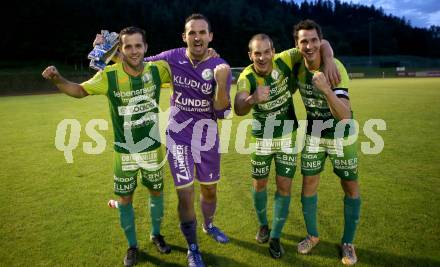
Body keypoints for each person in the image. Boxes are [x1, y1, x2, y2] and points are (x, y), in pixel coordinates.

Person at [42, 26, 172, 267]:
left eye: (138, 46)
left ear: (146, 48)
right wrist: (58, 79)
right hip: (124, 152)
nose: (134, 51)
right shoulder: (109, 76)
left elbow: (186, 70)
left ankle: (156, 234)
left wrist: (208, 56)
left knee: (156, 193)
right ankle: (132, 246)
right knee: (125, 199)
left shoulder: (158, 70)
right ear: (121, 51)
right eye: (128, 46)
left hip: (153, 149)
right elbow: (80, 91)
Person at [234, 33, 338, 259]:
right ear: (250, 55)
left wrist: (328, 61)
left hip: (287, 136)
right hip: (262, 138)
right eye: (256, 53)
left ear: (273, 51)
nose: (262, 58)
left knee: (284, 187)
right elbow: (238, 106)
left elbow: (323, 42)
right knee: (259, 184)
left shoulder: (286, 59)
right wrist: (252, 99)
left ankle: (275, 236)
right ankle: (263, 225)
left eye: (266, 52)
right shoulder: (246, 76)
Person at [144, 14, 232, 267]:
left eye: (202, 32)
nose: (197, 37)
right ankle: (193, 248)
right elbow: (138, 63)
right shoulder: (172, 57)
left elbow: (221, 112)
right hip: (178, 136)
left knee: (209, 191)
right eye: (192, 32)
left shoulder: (221, 66)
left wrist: (222, 82)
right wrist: (111, 51)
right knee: (185, 195)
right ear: (184, 37)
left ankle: (209, 225)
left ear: (210, 36)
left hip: (207, 138)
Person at [292, 19, 360, 266]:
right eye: (303, 41)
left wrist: (326, 90)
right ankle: (312, 235)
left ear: (320, 42)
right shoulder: (297, 65)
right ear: (297, 45)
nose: (308, 46)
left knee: (350, 185)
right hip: (314, 132)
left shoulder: (335, 67)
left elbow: (345, 115)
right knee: (308, 182)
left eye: (313, 40)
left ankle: (348, 242)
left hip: (341, 133)